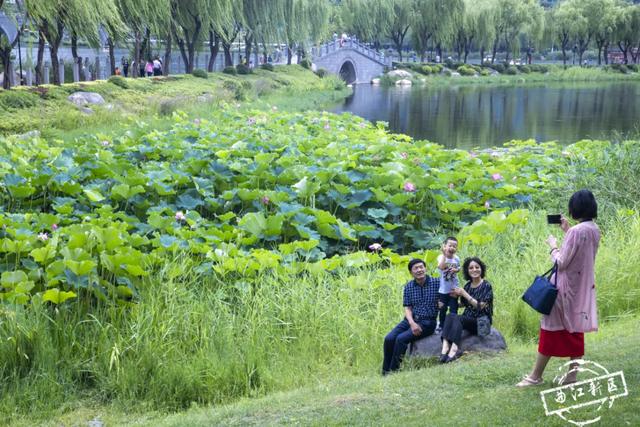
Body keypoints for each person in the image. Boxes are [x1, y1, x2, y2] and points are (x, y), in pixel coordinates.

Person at [516, 189, 600, 387]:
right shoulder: (594, 229)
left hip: (563, 289)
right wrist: (567, 231)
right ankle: (571, 376)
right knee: (575, 329)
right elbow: (579, 252)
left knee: (550, 329)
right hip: (581, 288)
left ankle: (535, 376)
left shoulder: (576, 232)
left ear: (574, 208)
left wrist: (553, 246)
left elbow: (561, 262)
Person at [382, 258, 439, 375]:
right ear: (411, 272)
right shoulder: (409, 286)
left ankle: (393, 371)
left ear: (425, 268)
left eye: (421, 267)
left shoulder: (436, 283)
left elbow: (449, 294)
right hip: (411, 319)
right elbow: (407, 308)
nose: (419, 270)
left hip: (428, 322)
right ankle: (385, 371)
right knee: (389, 338)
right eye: (415, 268)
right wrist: (412, 323)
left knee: (401, 339)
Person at [440, 257, 494, 363]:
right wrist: (452, 299)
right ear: (467, 271)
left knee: (459, 318)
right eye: (471, 268)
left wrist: (464, 293)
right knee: (450, 315)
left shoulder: (486, 285)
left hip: (482, 324)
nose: (474, 270)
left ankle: (455, 349)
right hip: (469, 320)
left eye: (477, 267)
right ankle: (445, 347)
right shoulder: (468, 285)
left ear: (481, 269)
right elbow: (463, 304)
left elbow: (480, 306)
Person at [436, 237, 460, 332]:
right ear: (445, 246)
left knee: (454, 308)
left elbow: (459, 268)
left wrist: (456, 270)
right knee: (442, 309)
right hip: (443, 289)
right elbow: (441, 267)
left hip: (454, 288)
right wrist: (444, 255)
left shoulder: (456, 258)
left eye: (454, 246)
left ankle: (452, 325)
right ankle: (441, 325)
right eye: (450, 245)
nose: (452, 248)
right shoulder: (441, 257)